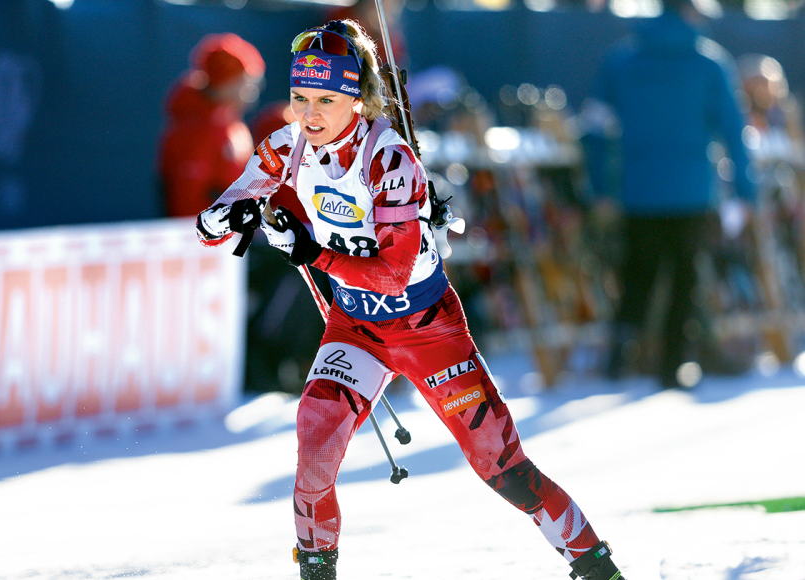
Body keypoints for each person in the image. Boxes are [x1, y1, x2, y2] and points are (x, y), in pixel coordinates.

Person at [195, 19, 626, 580]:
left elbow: (394, 274)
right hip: (356, 328)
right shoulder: (287, 144)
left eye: (327, 99)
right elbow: (210, 225)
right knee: (315, 443)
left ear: (359, 99)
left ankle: (594, 564)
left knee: (501, 466)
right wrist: (228, 214)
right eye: (300, 98)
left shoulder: (388, 158)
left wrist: (311, 253)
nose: (311, 113)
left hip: (426, 327)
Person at [584, 0, 756, 388]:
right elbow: (733, 131)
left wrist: (601, 187)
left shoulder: (621, 60)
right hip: (692, 190)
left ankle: (618, 360)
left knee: (636, 276)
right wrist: (745, 190)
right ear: (691, 12)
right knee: (685, 280)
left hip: (637, 190)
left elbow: (594, 129)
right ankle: (672, 366)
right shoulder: (710, 63)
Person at [158, 33, 265, 218]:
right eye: (245, 82)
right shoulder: (196, 130)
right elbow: (188, 203)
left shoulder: (229, 122)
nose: (251, 90)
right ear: (226, 83)